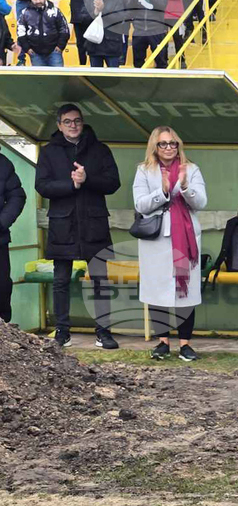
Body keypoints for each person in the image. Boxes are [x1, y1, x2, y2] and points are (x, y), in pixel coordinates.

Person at [35, 104, 121, 349]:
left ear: (83, 123)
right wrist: (70, 185)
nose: (73, 125)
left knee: (100, 281)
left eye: (77, 121)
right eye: (68, 121)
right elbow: (41, 185)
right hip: (63, 226)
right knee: (61, 281)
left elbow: (113, 183)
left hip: (94, 225)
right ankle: (62, 331)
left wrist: (87, 180)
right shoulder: (49, 152)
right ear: (59, 125)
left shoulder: (100, 149)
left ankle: (104, 332)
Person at [133, 127, 207, 361]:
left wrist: (184, 187)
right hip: (156, 240)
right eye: (163, 144)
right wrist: (163, 191)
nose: (169, 148)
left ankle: (185, 344)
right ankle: (162, 342)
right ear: (154, 147)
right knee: (157, 291)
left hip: (184, 239)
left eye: (173, 143)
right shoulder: (144, 171)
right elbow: (140, 205)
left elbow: (202, 202)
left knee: (186, 293)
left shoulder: (191, 169)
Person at [0, 147, 26, 323]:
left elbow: (17, 195)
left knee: (1, 285)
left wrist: (1, 222)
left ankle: (3, 331)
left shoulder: (3, 163)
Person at [84, 0, 128, 67]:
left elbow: (120, 19)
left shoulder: (117, 0)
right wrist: (96, 12)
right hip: (94, 47)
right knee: (95, 79)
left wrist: (103, 10)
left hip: (112, 46)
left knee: (114, 79)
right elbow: (84, 20)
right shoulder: (90, 0)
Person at [16, 0, 70, 66]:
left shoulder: (55, 11)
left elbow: (64, 29)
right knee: (39, 78)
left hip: (55, 52)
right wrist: (27, 48)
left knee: (58, 77)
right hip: (35, 53)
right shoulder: (25, 13)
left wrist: (60, 46)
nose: (38, 1)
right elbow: (20, 32)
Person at [130, 0, 168, 68]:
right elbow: (130, 11)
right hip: (139, 30)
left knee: (161, 61)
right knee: (138, 62)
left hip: (156, 30)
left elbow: (162, 7)